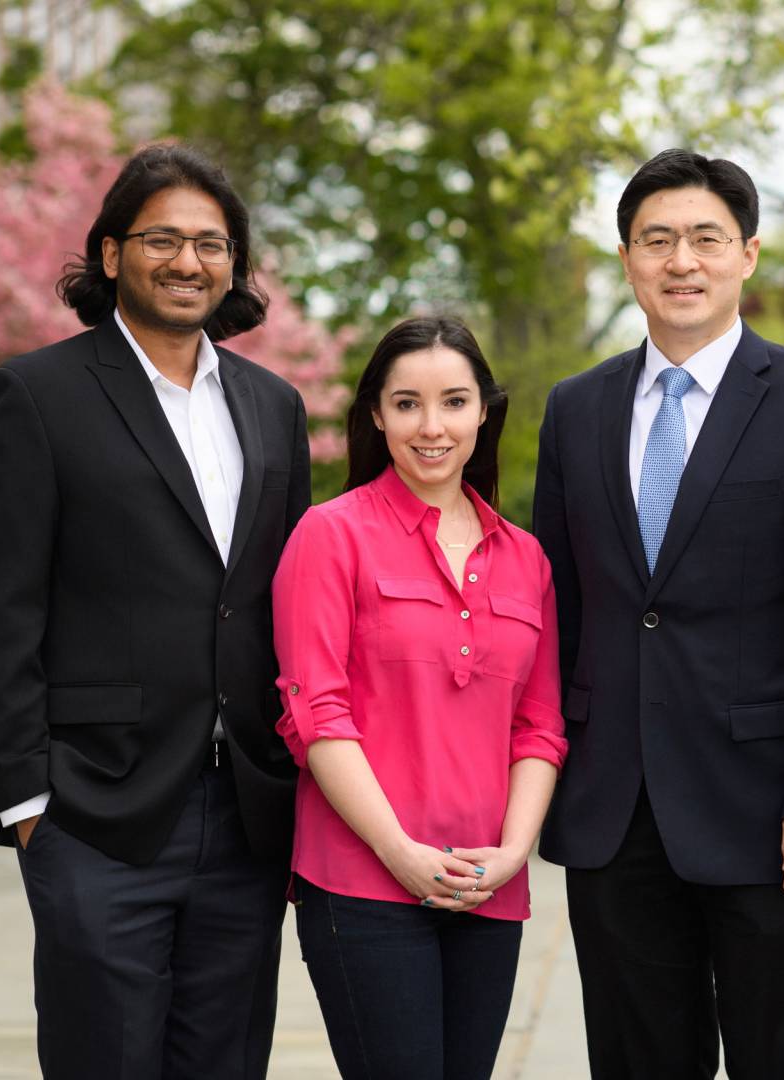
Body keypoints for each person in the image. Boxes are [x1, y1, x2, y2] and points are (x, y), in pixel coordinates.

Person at [531, 148, 784, 1078]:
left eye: (705, 238)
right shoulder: (576, 410)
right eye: (657, 240)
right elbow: (559, 609)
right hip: (615, 809)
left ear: (748, 254)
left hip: (773, 814)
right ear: (626, 259)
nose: (681, 261)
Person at [0, 144, 310, 1077]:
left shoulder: (274, 408)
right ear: (111, 253)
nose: (188, 261)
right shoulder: (35, 395)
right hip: (94, 812)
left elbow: (287, 603)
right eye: (162, 239)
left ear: (234, 264)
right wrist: (26, 803)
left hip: (246, 815)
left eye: (211, 243)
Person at [270, 316, 566, 1080]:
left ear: (483, 413)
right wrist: (398, 852)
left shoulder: (526, 557)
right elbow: (316, 714)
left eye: (454, 402)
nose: (431, 427)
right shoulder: (329, 535)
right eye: (406, 404)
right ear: (375, 414)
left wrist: (510, 854)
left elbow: (539, 727)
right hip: (361, 877)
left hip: (487, 884)